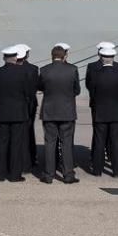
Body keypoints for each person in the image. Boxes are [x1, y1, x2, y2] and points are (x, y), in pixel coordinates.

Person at [37, 45, 80, 184]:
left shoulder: (44, 70)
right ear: (64, 56)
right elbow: (77, 90)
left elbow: (40, 87)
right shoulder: (72, 69)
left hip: (49, 110)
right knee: (66, 143)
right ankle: (68, 174)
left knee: (50, 143)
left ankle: (49, 175)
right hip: (67, 111)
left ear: (52, 55)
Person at [0, 47, 31, 182]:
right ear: (15, 57)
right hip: (19, 111)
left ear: (4, 58)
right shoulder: (23, 72)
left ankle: (0, 174)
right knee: (16, 144)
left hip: (3, 110)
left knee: (2, 143)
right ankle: (15, 174)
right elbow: (27, 92)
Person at [87, 47, 118, 177]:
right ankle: (117, 170)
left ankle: (97, 170)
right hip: (115, 112)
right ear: (113, 58)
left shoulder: (95, 75)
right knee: (115, 142)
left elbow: (92, 92)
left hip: (100, 112)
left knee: (99, 141)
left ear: (102, 58)